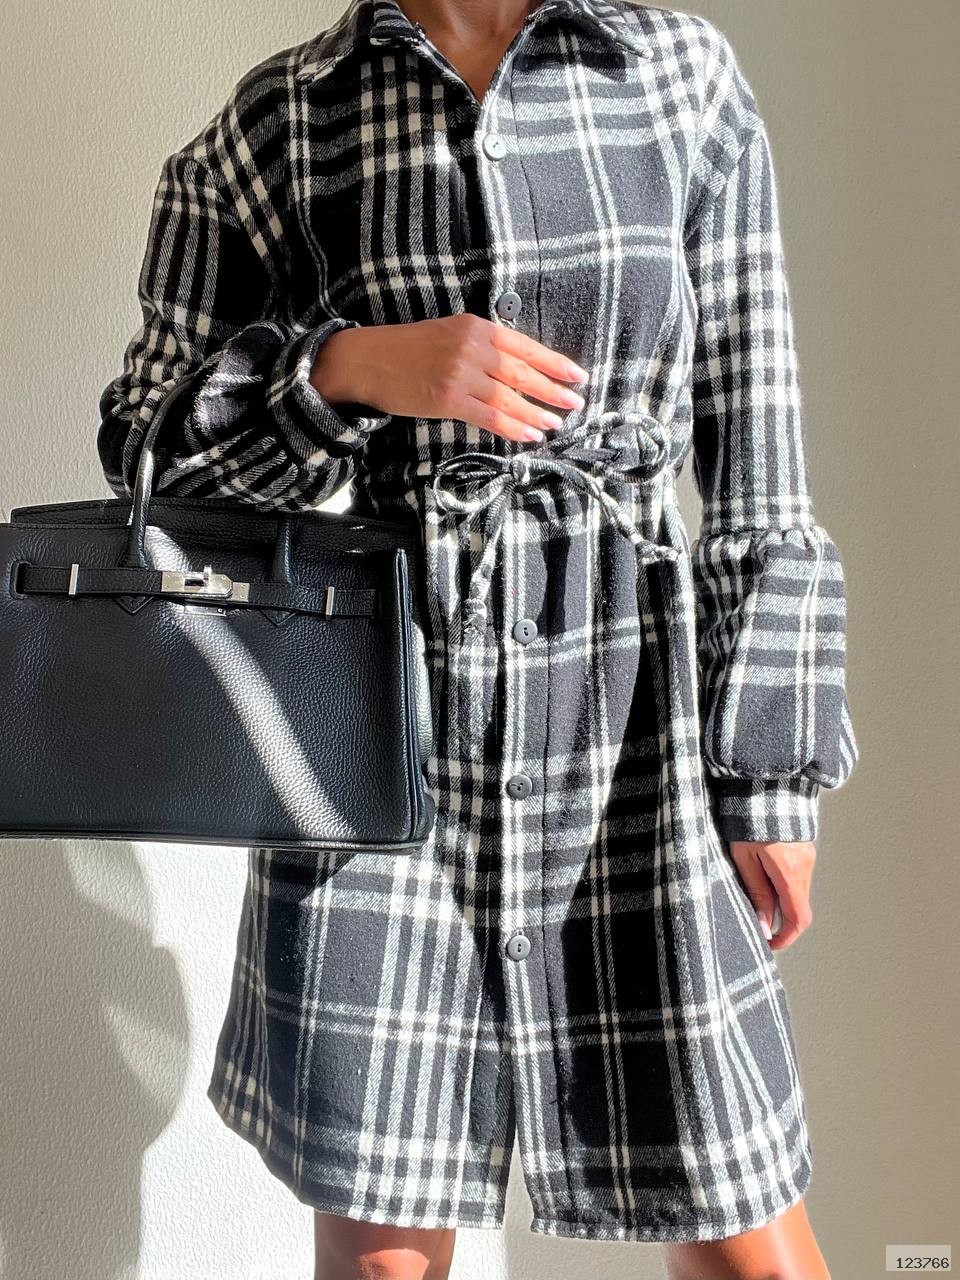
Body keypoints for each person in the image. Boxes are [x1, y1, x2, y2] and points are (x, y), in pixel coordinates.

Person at [96, 0, 859, 1275]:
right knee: (385, 1255)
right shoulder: (285, 120)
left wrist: (770, 774)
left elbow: (760, 461)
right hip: (387, 727)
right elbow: (147, 450)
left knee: (748, 1237)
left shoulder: (675, 75)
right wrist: (345, 370)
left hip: (633, 723)